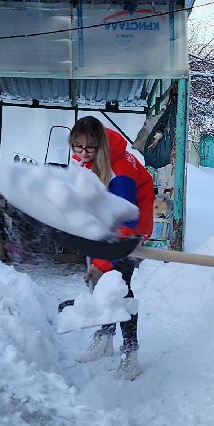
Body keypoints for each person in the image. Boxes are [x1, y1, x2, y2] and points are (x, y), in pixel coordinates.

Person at [69, 115, 154, 380]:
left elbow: (126, 225)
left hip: (131, 228)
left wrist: (102, 264)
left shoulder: (121, 174)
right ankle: (105, 338)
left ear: (100, 146)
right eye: (77, 147)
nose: (82, 153)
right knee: (102, 285)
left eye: (88, 149)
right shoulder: (87, 154)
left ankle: (131, 354)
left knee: (120, 287)